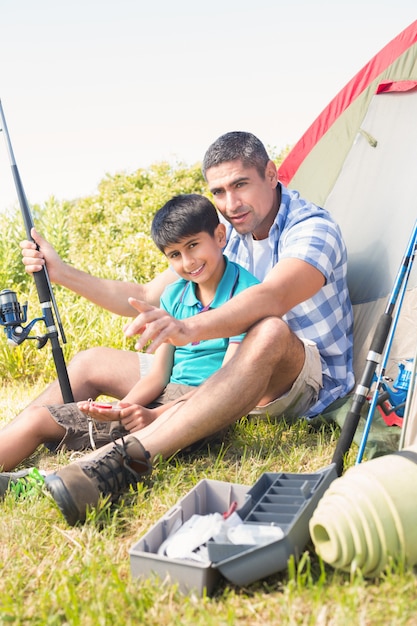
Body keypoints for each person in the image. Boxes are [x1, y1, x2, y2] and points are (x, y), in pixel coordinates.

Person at [11, 131, 354, 525]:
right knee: (91, 361)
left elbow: (273, 297)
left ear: (272, 174)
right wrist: (61, 273)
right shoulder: (231, 236)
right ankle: (14, 444)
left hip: (301, 381)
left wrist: (189, 328)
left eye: (240, 184)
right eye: (219, 192)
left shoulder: (312, 230)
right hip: (223, 373)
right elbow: (142, 294)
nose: (230, 203)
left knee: (269, 328)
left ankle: (124, 460)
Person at [0, 193, 259, 486]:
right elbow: (159, 375)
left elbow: (226, 385)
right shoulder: (174, 295)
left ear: (220, 236)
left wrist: (157, 416)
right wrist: (122, 409)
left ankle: (47, 483)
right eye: (174, 255)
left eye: (193, 246)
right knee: (37, 417)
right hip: (163, 398)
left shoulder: (246, 294)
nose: (187, 262)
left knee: (81, 443)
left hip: (202, 410)